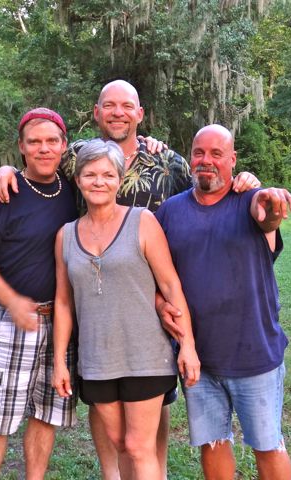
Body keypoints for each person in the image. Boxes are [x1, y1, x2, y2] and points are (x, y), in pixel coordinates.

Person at [0, 79, 260, 480]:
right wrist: (6, 169)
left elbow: (208, 189)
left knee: (146, 429)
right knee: (112, 425)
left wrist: (245, 181)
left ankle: (154, 472)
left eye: (127, 106)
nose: (118, 113)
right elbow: (38, 162)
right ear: (96, 113)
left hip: (150, 313)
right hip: (94, 316)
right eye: (109, 105)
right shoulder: (74, 157)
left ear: (140, 114)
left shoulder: (168, 163)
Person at [51, 139, 200, 480]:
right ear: (78, 179)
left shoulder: (142, 222)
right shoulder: (66, 236)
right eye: (90, 174)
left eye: (107, 175)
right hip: (96, 359)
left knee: (138, 447)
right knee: (119, 443)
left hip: (145, 355)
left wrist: (187, 345)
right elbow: (63, 302)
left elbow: (171, 286)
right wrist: (60, 361)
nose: (99, 182)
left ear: (119, 180)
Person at [155, 124, 291, 480]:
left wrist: (273, 204)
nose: (207, 160)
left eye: (216, 154)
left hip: (254, 352)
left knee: (268, 444)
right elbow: (154, 272)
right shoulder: (170, 211)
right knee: (213, 443)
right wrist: (159, 304)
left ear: (232, 160)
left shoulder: (250, 200)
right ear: (190, 158)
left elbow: (268, 218)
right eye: (199, 152)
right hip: (198, 356)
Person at [0, 108, 79, 480]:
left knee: (47, 412)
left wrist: (148, 142)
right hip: (12, 322)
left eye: (51, 141)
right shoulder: (3, 193)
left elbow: (114, 157)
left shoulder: (74, 187)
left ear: (63, 145)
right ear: (21, 147)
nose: (44, 149)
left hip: (62, 320)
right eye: (35, 142)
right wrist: (12, 300)